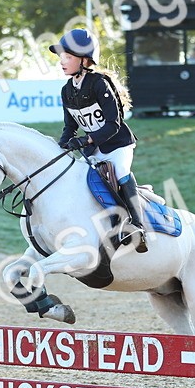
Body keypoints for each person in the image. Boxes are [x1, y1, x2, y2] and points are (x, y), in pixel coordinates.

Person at [49, 27, 149, 253]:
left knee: (121, 172)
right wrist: (61, 146)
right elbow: (70, 126)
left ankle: (137, 226)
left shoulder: (99, 84)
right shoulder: (66, 90)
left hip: (117, 145)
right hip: (93, 150)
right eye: (61, 57)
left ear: (85, 60)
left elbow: (114, 123)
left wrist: (86, 141)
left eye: (68, 57)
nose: (62, 62)